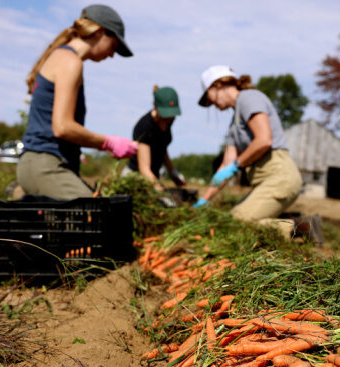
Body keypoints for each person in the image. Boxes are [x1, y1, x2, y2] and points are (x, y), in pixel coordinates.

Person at [18, 4, 138, 200]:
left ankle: (23, 191)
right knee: (98, 216)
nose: (111, 54)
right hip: (46, 166)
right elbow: (62, 127)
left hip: (39, 164)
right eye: (113, 46)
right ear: (99, 32)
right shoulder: (70, 62)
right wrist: (108, 143)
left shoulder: (62, 57)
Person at [194, 65, 322, 244]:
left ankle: (302, 227)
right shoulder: (234, 124)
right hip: (266, 181)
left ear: (217, 85)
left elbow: (263, 140)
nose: (211, 104)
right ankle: (295, 225)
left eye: (208, 96)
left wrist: (237, 165)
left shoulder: (249, 98)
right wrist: (204, 200)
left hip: (279, 176)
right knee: (232, 220)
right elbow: (226, 165)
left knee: (239, 222)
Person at [122, 86, 186, 191]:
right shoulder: (145, 126)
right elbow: (144, 169)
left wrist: (173, 173)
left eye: (172, 114)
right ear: (156, 107)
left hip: (153, 177)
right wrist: (160, 192)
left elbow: (162, 149)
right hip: (136, 178)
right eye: (166, 115)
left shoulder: (168, 121)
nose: (170, 118)